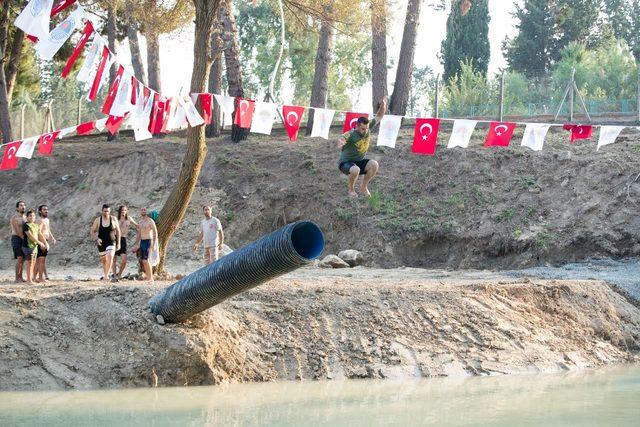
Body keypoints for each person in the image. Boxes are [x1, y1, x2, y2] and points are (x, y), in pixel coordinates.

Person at [335, 96, 388, 198]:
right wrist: (340, 143)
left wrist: (383, 105)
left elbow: (379, 116)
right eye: (363, 129)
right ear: (357, 126)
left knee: (374, 164)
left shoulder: (368, 128)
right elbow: (341, 138)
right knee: (355, 170)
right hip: (345, 163)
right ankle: (351, 190)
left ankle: (363, 187)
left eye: (367, 128)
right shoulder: (351, 133)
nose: (365, 131)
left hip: (359, 161)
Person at [90, 204, 121, 283]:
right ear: (102, 211)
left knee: (110, 256)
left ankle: (106, 276)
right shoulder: (98, 220)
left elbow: (118, 231)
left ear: (109, 211)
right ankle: (106, 275)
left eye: (107, 211)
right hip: (101, 242)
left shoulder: (113, 219)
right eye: (104, 211)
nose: (106, 213)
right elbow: (92, 231)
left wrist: (118, 243)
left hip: (111, 241)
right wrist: (97, 239)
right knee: (104, 260)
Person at [131, 207, 158, 283]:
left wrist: (153, 244)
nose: (143, 211)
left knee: (146, 260)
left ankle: (151, 278)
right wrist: (136, 244)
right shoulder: (140, 222)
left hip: (148, 241)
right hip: (142, 242)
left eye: (144, 210)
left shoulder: (150, 221)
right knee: (143, 261)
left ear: (146, 211)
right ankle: (148, 278)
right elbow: (139, 234)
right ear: (140, 212)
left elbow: (155, 232)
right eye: (142, 210)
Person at [22, 210, 48, 285]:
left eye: (33, 216)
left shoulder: (36, 225)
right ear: (27, 217)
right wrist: (40, 243)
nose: (32, 217)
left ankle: (31, 279)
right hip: (27, 247)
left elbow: (40, 234)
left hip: (34, 246)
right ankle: (29, 280)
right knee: (29, 263)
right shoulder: (26, 225)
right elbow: (30, 236)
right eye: (30, 216)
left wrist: (45, 243)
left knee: (33, 263)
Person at [112, 205, 138, 279]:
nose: (123, 211)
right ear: (120, 211)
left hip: (123, 239)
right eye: (122, 210)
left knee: (124, 259)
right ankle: (114, 275)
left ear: (127, 211)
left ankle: (119, 274)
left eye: (125, 210)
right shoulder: (116, 219)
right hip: (115, 238)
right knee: (114, 259)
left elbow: (137, 226)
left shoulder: (129, 219)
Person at [35, 205, 57, 283]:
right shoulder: (39, 220)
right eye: (44, 209)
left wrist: (52, 238)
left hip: (45, 241)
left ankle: (35, 277)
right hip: (41, 242)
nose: (46, 211)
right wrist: (43, 243)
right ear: (40, 211)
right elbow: (39, 232)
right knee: (40, 261)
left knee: (41, 261)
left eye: (47, 209)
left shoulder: (47, 220)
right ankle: (40, 278)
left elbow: (48, 230)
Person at [10, 201, 26, 283]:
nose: (23, 207)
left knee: (23, 259)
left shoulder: (26, 217)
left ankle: (21, 277)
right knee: (19, 258)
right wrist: (23, 238)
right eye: (21, 205)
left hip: (24, 239)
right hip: (16, 238)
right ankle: (17, 278)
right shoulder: (14, 218)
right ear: (17, 208)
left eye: (23, 205)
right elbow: (17, 230)